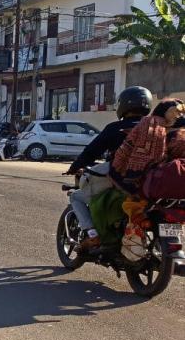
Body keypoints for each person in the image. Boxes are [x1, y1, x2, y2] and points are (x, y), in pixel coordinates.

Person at [65, 86, 153, 249]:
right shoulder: (157, 128)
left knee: (76, 196)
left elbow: (91, 152)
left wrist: (75, 167)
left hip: (119, 177)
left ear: (123, 106)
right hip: (150, 181)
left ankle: (92, 233)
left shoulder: (115, 128)